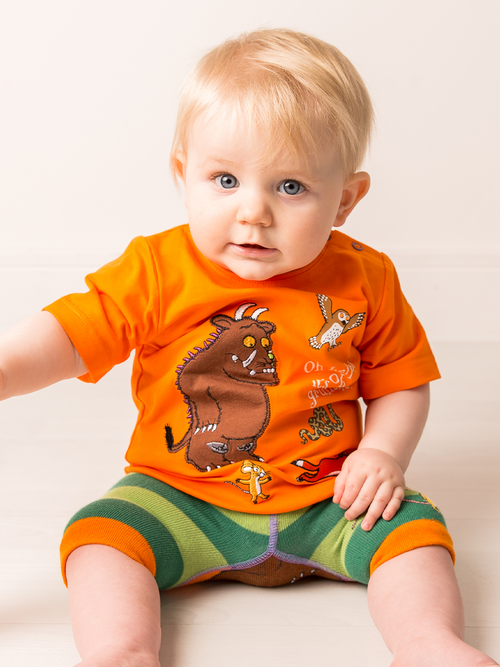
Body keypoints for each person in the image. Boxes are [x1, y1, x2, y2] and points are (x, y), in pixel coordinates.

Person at [0, 28, 496, 667]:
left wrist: (381, 454)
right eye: (226, 179)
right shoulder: (157, 269)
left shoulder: (365, 278)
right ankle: (120, 650)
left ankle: (428, 644)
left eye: (290, 187)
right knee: (101, 535)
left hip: (329, 497)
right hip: (183, 495)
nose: (253, 212)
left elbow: (401, 382)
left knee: (415, 532)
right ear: (184, 173)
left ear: (345, 199)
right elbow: (69, 337)